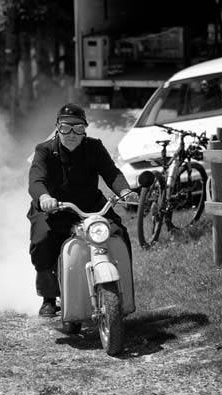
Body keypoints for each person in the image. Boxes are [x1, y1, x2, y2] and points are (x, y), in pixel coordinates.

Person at [28, 103, 138, 317]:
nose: (71, 134)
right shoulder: (44, 150)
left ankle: (121, 289)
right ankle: (49, 297)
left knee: (120, 234)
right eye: (65, 127)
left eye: (78, 128)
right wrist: (44, 197)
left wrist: (125, 191)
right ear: (57, 128)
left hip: (91, 206)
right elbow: (36, 180)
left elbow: (112, 173)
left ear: (85, 129)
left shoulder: (94, 147)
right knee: (43, 240)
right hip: (54, 208)